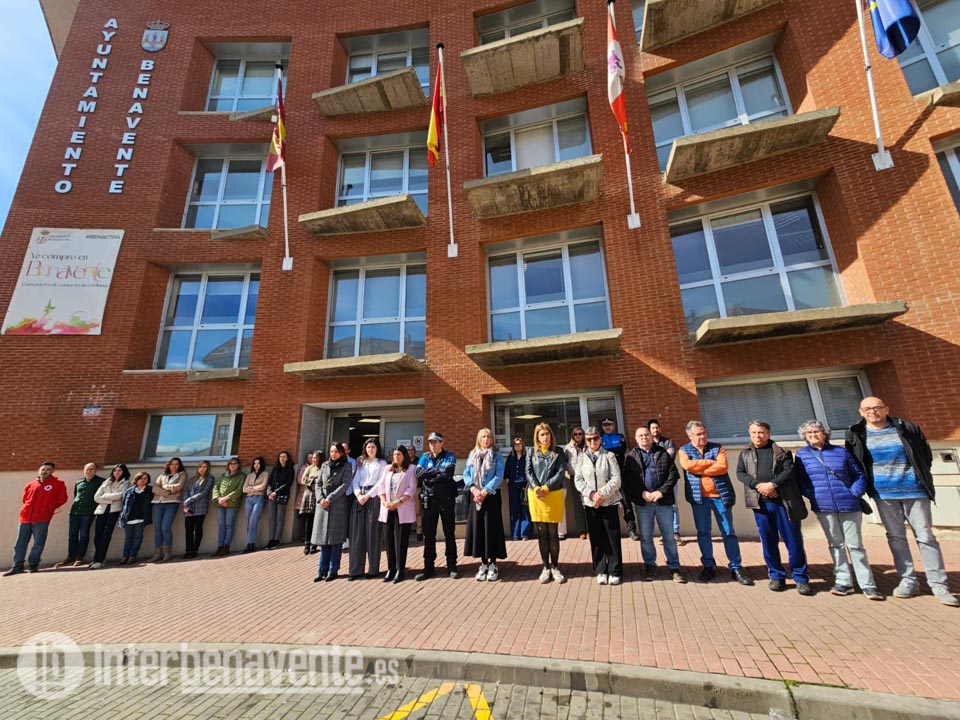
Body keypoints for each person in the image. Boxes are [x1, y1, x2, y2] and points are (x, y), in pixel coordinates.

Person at [846, 398, 958, 607]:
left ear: (886, 409)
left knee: (925, 536)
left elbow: (925, 456)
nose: (873, 411)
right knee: (896, 537)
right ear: (861, 412)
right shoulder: (855, 433)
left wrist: (918, 478)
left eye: (877, 407)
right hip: (883, 493)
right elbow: (855, 461)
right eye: (868, 409)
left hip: (915, 490)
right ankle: (908, 581)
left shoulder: (907, 428)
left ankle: (938, 585)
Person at [795, 420, 883, 600]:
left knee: (855, 545)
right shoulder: (802, 455)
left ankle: (867, 584)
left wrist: (854, 493)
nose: (813, 435)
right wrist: (812, 495)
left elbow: (858, 474)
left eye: (816, 431)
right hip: (823, 506)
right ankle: (843, 582)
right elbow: (801, 480)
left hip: (849, 504)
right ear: (805, 436)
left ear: (824, 433)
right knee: (835, 544)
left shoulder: (841, 452)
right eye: (809, 433)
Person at [735, 421, 811, 595]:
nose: (757, 436)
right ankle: (776, 576)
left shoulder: (782, 452)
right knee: (768, 542)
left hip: (784, 503)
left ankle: (800, 578)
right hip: (760, 504)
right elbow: (740, 473)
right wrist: (758, 485)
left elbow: (788, 472)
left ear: (768, 434)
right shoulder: (745, 453)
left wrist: (772, 485)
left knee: (793, 541)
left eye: (761, 432)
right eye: (754, 432)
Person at [678, 422, 753, 585]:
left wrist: (699, 468)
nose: (703, 436)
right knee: (703, 533)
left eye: (704, 433)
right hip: (699, 498)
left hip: (720, 496)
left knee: (728, 532)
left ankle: (736, 567)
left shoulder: (717, 448)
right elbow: (688, 466)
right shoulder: (684, 450)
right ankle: (708, 566)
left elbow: (722, 467)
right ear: (690, 436)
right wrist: (710, 462)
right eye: (698, 434)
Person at [624, 426, 684, 583]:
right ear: (636, 439)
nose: (644, 437)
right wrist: (642, 493)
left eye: (646, 435)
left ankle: (674, 567)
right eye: (640, 435)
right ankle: (650, 565)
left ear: (651, 437)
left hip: (663, 501)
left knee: (669, 537)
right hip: (643, 503)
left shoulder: (662, 453)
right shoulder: (631, 457)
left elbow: (674, 474)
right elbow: (628, 480)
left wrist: (661, 491)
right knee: (646, 537)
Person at [575, 427, 623, 585]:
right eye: (589, 439)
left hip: (608, 502)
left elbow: (616, 479)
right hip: (591, 504)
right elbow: (578, 480)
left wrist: (601, 494)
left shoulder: (609, 456)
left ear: (600, 439)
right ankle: (600, 569)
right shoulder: (581, 457)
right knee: (596, 537)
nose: (592, 442)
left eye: (595, 438)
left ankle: (615, 570)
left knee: (612, 537)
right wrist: (591, 494)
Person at [4, 462, 67, 576]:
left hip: (42, 518)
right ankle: (17, 566)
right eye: (43, 469)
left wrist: (48, 508)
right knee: (20, 543)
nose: (45, 471)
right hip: (25, 518)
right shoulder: (30, 484)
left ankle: (33, 565)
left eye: (48, 469)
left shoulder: (58, 483)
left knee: (38, 543)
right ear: (39, 470)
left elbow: (62, 498)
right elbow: (25, 499)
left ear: (52, 471)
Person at [463, 428, 507, 582]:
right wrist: (474, 490)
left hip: (491, 497)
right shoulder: (472, 454)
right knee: (479, 529)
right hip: (476, 497)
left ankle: (493, 564)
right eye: (483, 437)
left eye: (488, 437)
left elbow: (499, 475)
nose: (486, 439)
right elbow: (466, 473)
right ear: (478, 439)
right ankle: (483, 563)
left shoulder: (496, 455)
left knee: (491, 529)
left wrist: (485, 491)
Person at [415, 432, 459, 581]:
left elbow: (448, 474)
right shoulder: (424, 457)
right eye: (430, 442)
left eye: (435, 442)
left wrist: (428, 476)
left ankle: (452, 566)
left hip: (446, 500)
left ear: (442, 443)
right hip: (429, 500)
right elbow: (418, 474)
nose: (432, 445)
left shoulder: (450, 456)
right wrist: (436, 471)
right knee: (429, 535)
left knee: (449, 533)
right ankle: (428, 568)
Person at [526, 423, 567, 584]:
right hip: (536, 495)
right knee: (542, 533)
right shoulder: (531, 452)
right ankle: (545, 567)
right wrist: (537, 487)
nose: (545, 437)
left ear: (551, 435)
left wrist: (546, 487)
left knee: (553, 532)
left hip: (553, 494)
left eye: (547, 434)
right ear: (537, 437)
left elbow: (560, 472)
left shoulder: (559, 452)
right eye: (542, 434)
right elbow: (528, 471)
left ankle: (555, 567)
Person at [374, 445, 418, 583]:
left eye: (399, 454)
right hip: (388, 509)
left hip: (402, 509)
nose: (396, 457)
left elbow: (411, 489)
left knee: (400, 542)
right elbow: (381, 486)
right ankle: (391, 568)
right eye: (394, 455)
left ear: (404, 456)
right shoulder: (388, 468)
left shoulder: (411, 469)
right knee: (389, 541)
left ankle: (400, 569)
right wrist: (384, 501)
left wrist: (398, 502)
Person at [312, 442, 353, 582]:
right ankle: (321, 570)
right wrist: (320, 498)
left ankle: (333, 569)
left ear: (341, 452)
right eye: (331, 451)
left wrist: (329, 498)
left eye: (336, 451)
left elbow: (345, 484)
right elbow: (318, 483)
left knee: (335, 540)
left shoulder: (347, 466)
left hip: (337, 505)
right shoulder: (325, 465)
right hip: (323, 506)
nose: (333, 454)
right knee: (323, 540)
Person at [348, 439, 386, 579]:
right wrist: (358, 494)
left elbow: (381, 482)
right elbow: (355, 480)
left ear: (377, 448)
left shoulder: (382, 463)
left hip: (373, 497)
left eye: (373, 447)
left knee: (373, 533)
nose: (370, 449)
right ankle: (355, 570)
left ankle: (373, 570)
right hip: (359, 498)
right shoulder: (361, 462)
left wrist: (368, 495)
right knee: (357, 535)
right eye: (368, 447)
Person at [55, 463, 105, 568]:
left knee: (83, 535)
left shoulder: (100, 482)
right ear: (84, 470)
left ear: (95, 470)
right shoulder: (79, 482)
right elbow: (76, 495)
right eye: (87, 469)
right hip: (75, 512)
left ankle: (79, 557)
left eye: (92, 469)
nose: (89, 471)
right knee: (72, 535)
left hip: (88, 512)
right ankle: (71, 557)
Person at [601, 417, 638, 541]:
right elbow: (603, 452)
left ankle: (631, 529)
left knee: (626, 502)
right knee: (606, 503)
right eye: (605, 425)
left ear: (613, 426)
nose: (607, 427)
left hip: (621, 474)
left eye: (609, 425)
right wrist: (614, 452)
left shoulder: (620, 436)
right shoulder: (600, 438)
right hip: (606, 475)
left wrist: (609, 451)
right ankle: (607, 532)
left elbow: (622, 449)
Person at [649, 419, 684, 546]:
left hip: (669, 479)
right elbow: (650, 460)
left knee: (673, 506)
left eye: (657, 427)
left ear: (660, 428)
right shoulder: (648, 444)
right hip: (656, 481)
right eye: (653, 428)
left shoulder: (668, 441)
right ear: (649, 430)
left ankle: (675, 532)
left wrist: (657, 457)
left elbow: (670, 457)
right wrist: (662, 454)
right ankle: (665, 533)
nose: (655, 430)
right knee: (659, 507)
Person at [90, 463, 130, 568]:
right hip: (101, 510)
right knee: (97, 536)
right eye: (115, 470)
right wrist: (109, 499)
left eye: (120, 470)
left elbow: (120, 496)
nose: (117, 472)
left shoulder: (125, 482)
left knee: (106, 535)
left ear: (124, 472)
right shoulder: (106, 482)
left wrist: (106, 496)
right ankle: (99, 558)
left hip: (113, 511)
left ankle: (98, 560)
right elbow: (96, 497)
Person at [150, 457, 186, 563]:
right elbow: (154, 488)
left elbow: (179, 486)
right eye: (172, 464)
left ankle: (167, 552)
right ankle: (157, 553)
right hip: (158, 503)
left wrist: (164, 487)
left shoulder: (182, 474)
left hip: (172, 502)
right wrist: (166, 491)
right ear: (169, 465)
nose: (174, 466)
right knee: (158, 528)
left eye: (176, 464)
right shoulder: (162, 475)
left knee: (165, 527)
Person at [182, 460, 215, 559]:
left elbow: (204, 492)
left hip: (200, 506)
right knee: (188, 529)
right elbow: (186, 490)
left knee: (198, 528)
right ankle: (188, 550)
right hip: (189, 507)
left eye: (204, 467)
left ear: (208, 468)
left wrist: (189, 500)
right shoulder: (192, 479)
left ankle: (195, 550)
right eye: (200, 467)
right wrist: (186, 501)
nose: (202, 469)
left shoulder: (210, 478)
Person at [212, 458, 245, 556]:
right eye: (230, 464)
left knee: (229, 525)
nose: (232, 465)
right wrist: (219, 499)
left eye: (234, 463)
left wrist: (226, 499)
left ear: (238, 465)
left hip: (232, 504)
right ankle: (219, 547)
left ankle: (226, 547)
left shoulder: (241, 476)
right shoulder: (223, 475)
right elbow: (216, 487)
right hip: (220, 503)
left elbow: (239, 490)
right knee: (221, 525)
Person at [118, 471, 153, 564]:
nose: (142, 480)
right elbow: (124, 504)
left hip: (141, 518)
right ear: (136, 479)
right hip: (129, 518)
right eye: (140, 478)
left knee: (138, 537)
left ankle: (132, 556)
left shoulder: (149, 490)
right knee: (128, 538)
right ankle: (125, 556)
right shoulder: (129, 491)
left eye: (145, 478)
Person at [562, 428, 588, 540]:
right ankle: (581, 530)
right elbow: (564, 462)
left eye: (580, 434)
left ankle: (590, 529)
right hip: (574, 478)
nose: (578, 436)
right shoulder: (568, 448)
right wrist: (569, 469)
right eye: (576, 434)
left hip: (587, 478)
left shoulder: (587, 446)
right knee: (578, 504)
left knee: (588, 503)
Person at [265, 451, 294, 549]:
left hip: (282, 495)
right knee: (271, 518)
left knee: (279, 518)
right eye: (280, 456)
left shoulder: (290, 470)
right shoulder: (275, 469)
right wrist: (269, 492)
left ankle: (277, 539)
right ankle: (271, 539)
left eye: (284, 456)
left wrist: (276, 492)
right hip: (272, 496)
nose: (282, 458)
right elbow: (270, 482)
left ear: (288, 458)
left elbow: (288, 484)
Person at [505, 437, 532, 541]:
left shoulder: (526, 457)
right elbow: (507, 469)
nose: (518, 446)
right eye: (516, 444)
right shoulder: (510, 457)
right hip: (513, 485)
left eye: (519, 444)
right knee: (514, 509)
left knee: (525, 508)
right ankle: (516, 534)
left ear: (522, 445)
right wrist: (507, 478)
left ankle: (525, 533)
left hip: (524, 485)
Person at [242, 456, 269, 553]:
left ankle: (251, 544)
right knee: (249, 522)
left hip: (259, 498)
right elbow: (244, 489)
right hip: (248, 499)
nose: (256, 465)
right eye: (255, 463)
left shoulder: (265, 474)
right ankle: (249, 544)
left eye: (258, 463)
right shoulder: (250, 475)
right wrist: (254, 489)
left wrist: (251, 488)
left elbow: (263, 486)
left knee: (253, 521)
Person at [296, 452, 320, 555]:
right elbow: (303, 479)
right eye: (313, 458)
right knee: (308, 520)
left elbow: (323, 480)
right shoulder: (309, 468)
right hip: (309, 495)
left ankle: (314, 544)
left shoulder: (322, 468)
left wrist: (314, 481)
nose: (315, 459)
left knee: (316, 520)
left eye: (316, 458)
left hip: (318, 495)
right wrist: (313, 481)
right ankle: (307, 543)